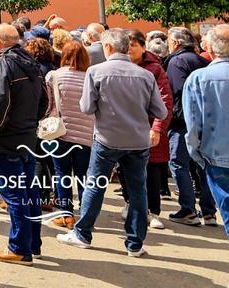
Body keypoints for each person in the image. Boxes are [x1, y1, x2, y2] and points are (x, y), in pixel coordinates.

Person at [57, 28, 167, 257]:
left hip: (107, 139)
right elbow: (160, 110)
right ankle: (135, 243)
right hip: (138, 140)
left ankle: (83, 234)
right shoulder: (145, 75)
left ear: (107, 48)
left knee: (95, 186)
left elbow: (86, 107)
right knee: (138, 190)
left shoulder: (96, 72)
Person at [0, 23, 48, 265]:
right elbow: (44, 102)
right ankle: (32, 244)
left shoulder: (3, 64)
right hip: (25, 137)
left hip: (6, 141)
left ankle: (20, 248)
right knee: (28, 194)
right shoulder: (30, 63)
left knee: (15, 196)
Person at [164, 26, 217, 225]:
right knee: (202, 165)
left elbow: (178, 93)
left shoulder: (176, 62)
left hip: (182, 122)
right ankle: (209, 212)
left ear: (175, 43)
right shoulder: (203, 61)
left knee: (179, 163)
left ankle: (188, 209)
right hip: (204, 120)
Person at [183, 23, 229, 237]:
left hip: (216, 156)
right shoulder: (198, 78)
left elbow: (193, 124)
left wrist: (196, 154)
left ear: (209, 49)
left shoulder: (198, 79)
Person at [43, 42, 95, 228]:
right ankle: (86, 214)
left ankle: (66, 214)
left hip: (60, 132)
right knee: (83, 175)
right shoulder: (91, 77)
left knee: (61, 173)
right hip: (86, 133)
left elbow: (47, 105)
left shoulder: (54, 76)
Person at [128, 29, 174, 230]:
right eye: (127, 45)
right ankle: (132, 205)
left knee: (152, 170)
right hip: (126, 127)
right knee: (127, 168)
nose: (130, 49)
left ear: (143, 47)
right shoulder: (119, 65)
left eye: (134, 45)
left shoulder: (155, 69)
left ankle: (154, 212)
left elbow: (165, 101)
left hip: (149, 127)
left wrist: (157, 127)